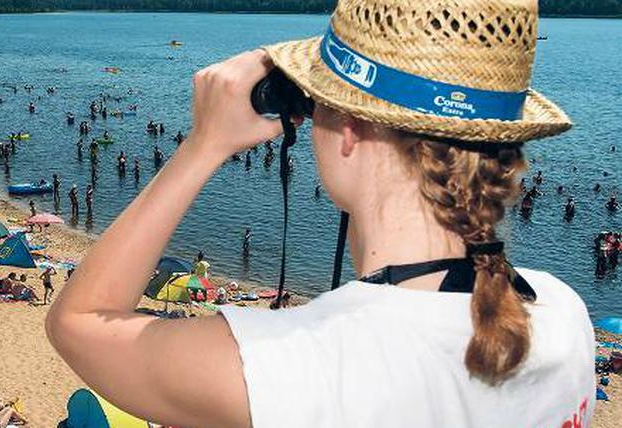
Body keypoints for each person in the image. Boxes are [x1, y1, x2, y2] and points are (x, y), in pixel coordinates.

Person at [45, 2, 594, 427]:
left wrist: (204, 144)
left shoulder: (302, 363)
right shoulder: (563, 316)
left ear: (350, 131)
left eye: (316, 101)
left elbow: (79, 321)